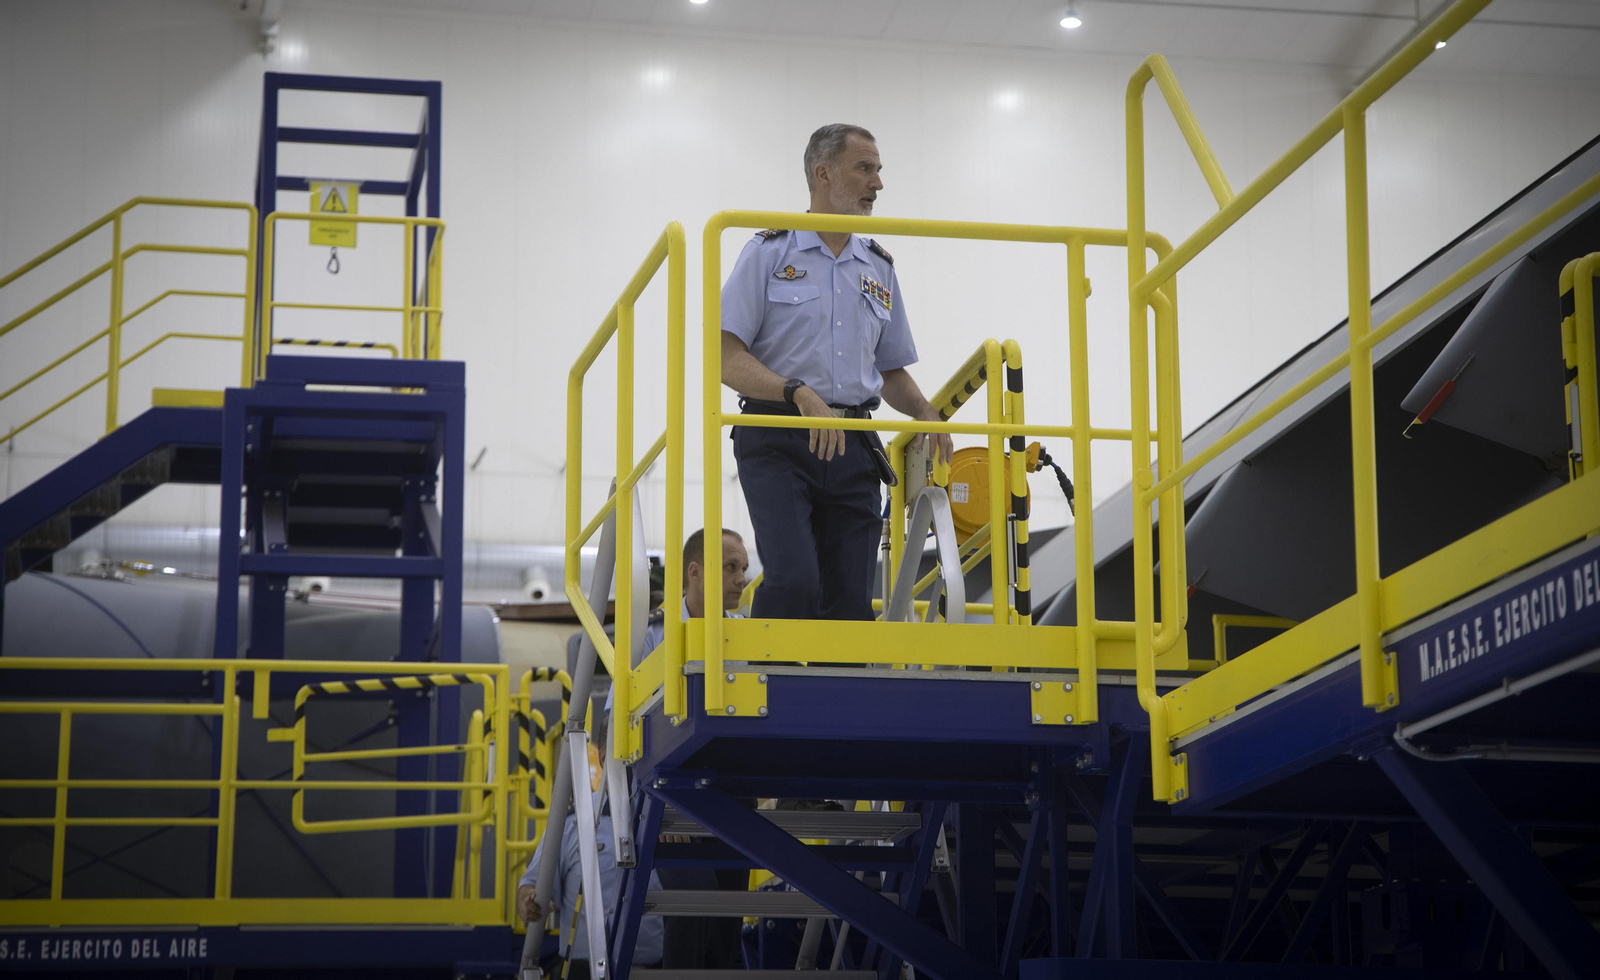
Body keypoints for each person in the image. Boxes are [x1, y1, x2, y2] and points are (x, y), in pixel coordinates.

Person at [720, 123, 953, 622]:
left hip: (853, 445)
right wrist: (796, 393)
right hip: (778, 435)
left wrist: (926, 413)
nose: (878, 184)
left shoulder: (878, 267)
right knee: (795, 581)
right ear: (823, 173)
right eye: (864, 169)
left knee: (849, 600)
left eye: (878, 171)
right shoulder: (768, 252)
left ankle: (838, 697)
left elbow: (890, 371)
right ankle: (772, 686)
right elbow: (725, 358)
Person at [641, 527, 749, 969]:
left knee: (724, 931)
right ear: (694, 572)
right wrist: (659, 801)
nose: (741, 578)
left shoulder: (752, 637)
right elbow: (624, 726)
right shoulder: (651, 636)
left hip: (731, 793)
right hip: (671, 795)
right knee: (694, 903)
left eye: (743, 568)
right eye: (730, 567)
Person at [515, 750, 664, 978]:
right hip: (584, 970)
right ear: (604, 758)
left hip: (658, 970)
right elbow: (532, 884)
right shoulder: (571, 824)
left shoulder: (667, 820)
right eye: (629, 749)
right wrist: (527, 899)